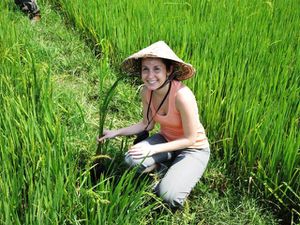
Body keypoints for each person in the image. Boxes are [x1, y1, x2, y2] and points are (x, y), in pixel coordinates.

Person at [98, 41, 210, 209]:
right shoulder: (147, 92)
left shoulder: (182, 96)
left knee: (168, 197)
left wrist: (152, 149)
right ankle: (165, 165)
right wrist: (116, 132)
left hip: (194, 148)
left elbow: (190, 139)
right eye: (145, 69)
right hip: (166, 140)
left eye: (157, 69)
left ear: (169, 70)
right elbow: (147, 124)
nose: (150, 75)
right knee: (131, 159)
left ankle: (171, 171)